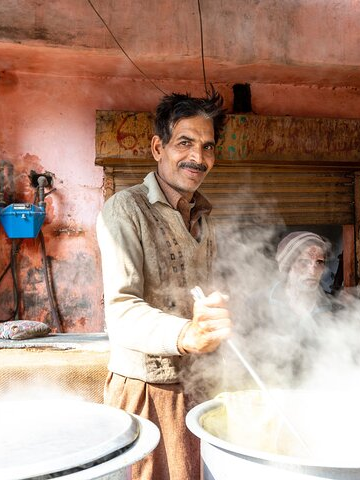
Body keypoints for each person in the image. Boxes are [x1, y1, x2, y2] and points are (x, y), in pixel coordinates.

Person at [95, 91, 232, 480]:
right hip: (149, 392)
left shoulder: (206, 219)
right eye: (185, 143)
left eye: (208, 147)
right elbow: (121, 311)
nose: (198, 157)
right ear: (158, 147)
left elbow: (209, 298)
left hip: (201, 387)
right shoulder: (125, 209)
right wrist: (188, 333)